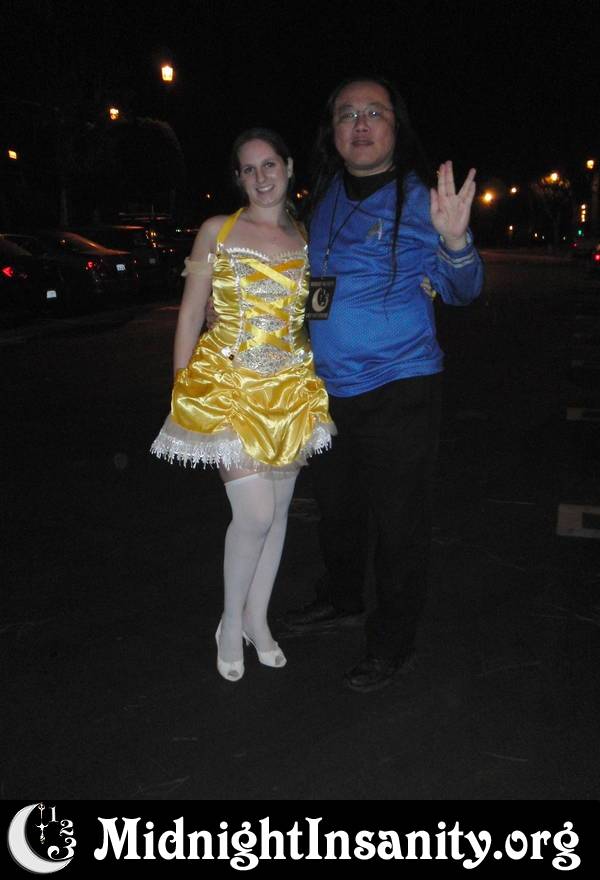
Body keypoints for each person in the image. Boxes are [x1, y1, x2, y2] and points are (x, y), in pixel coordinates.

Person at [283, 76, 484, 692]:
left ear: (397, 128)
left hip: (400, 388)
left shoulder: (421, 199)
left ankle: (393, 642)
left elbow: (463, 290)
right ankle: (343, 598)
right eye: (348, 114)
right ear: (333, 131)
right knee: (338, 510)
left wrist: (455, 239)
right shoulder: (324, 198)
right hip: (328, 389)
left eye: (375, 113)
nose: (361, 124)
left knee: (399, 524)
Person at [151, 128, 335, 682]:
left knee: (277, 516)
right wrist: (182, 382)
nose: (261, 177)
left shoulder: (308, 237)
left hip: (290, 388)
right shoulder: (218, 230)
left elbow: (316, 313)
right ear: (238, 178)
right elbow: (191, 311)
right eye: (249, 169)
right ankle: (230, 623)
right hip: (229, 384)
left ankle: (259, 618)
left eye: (269, 164)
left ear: (289, 167)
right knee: (253, 514)